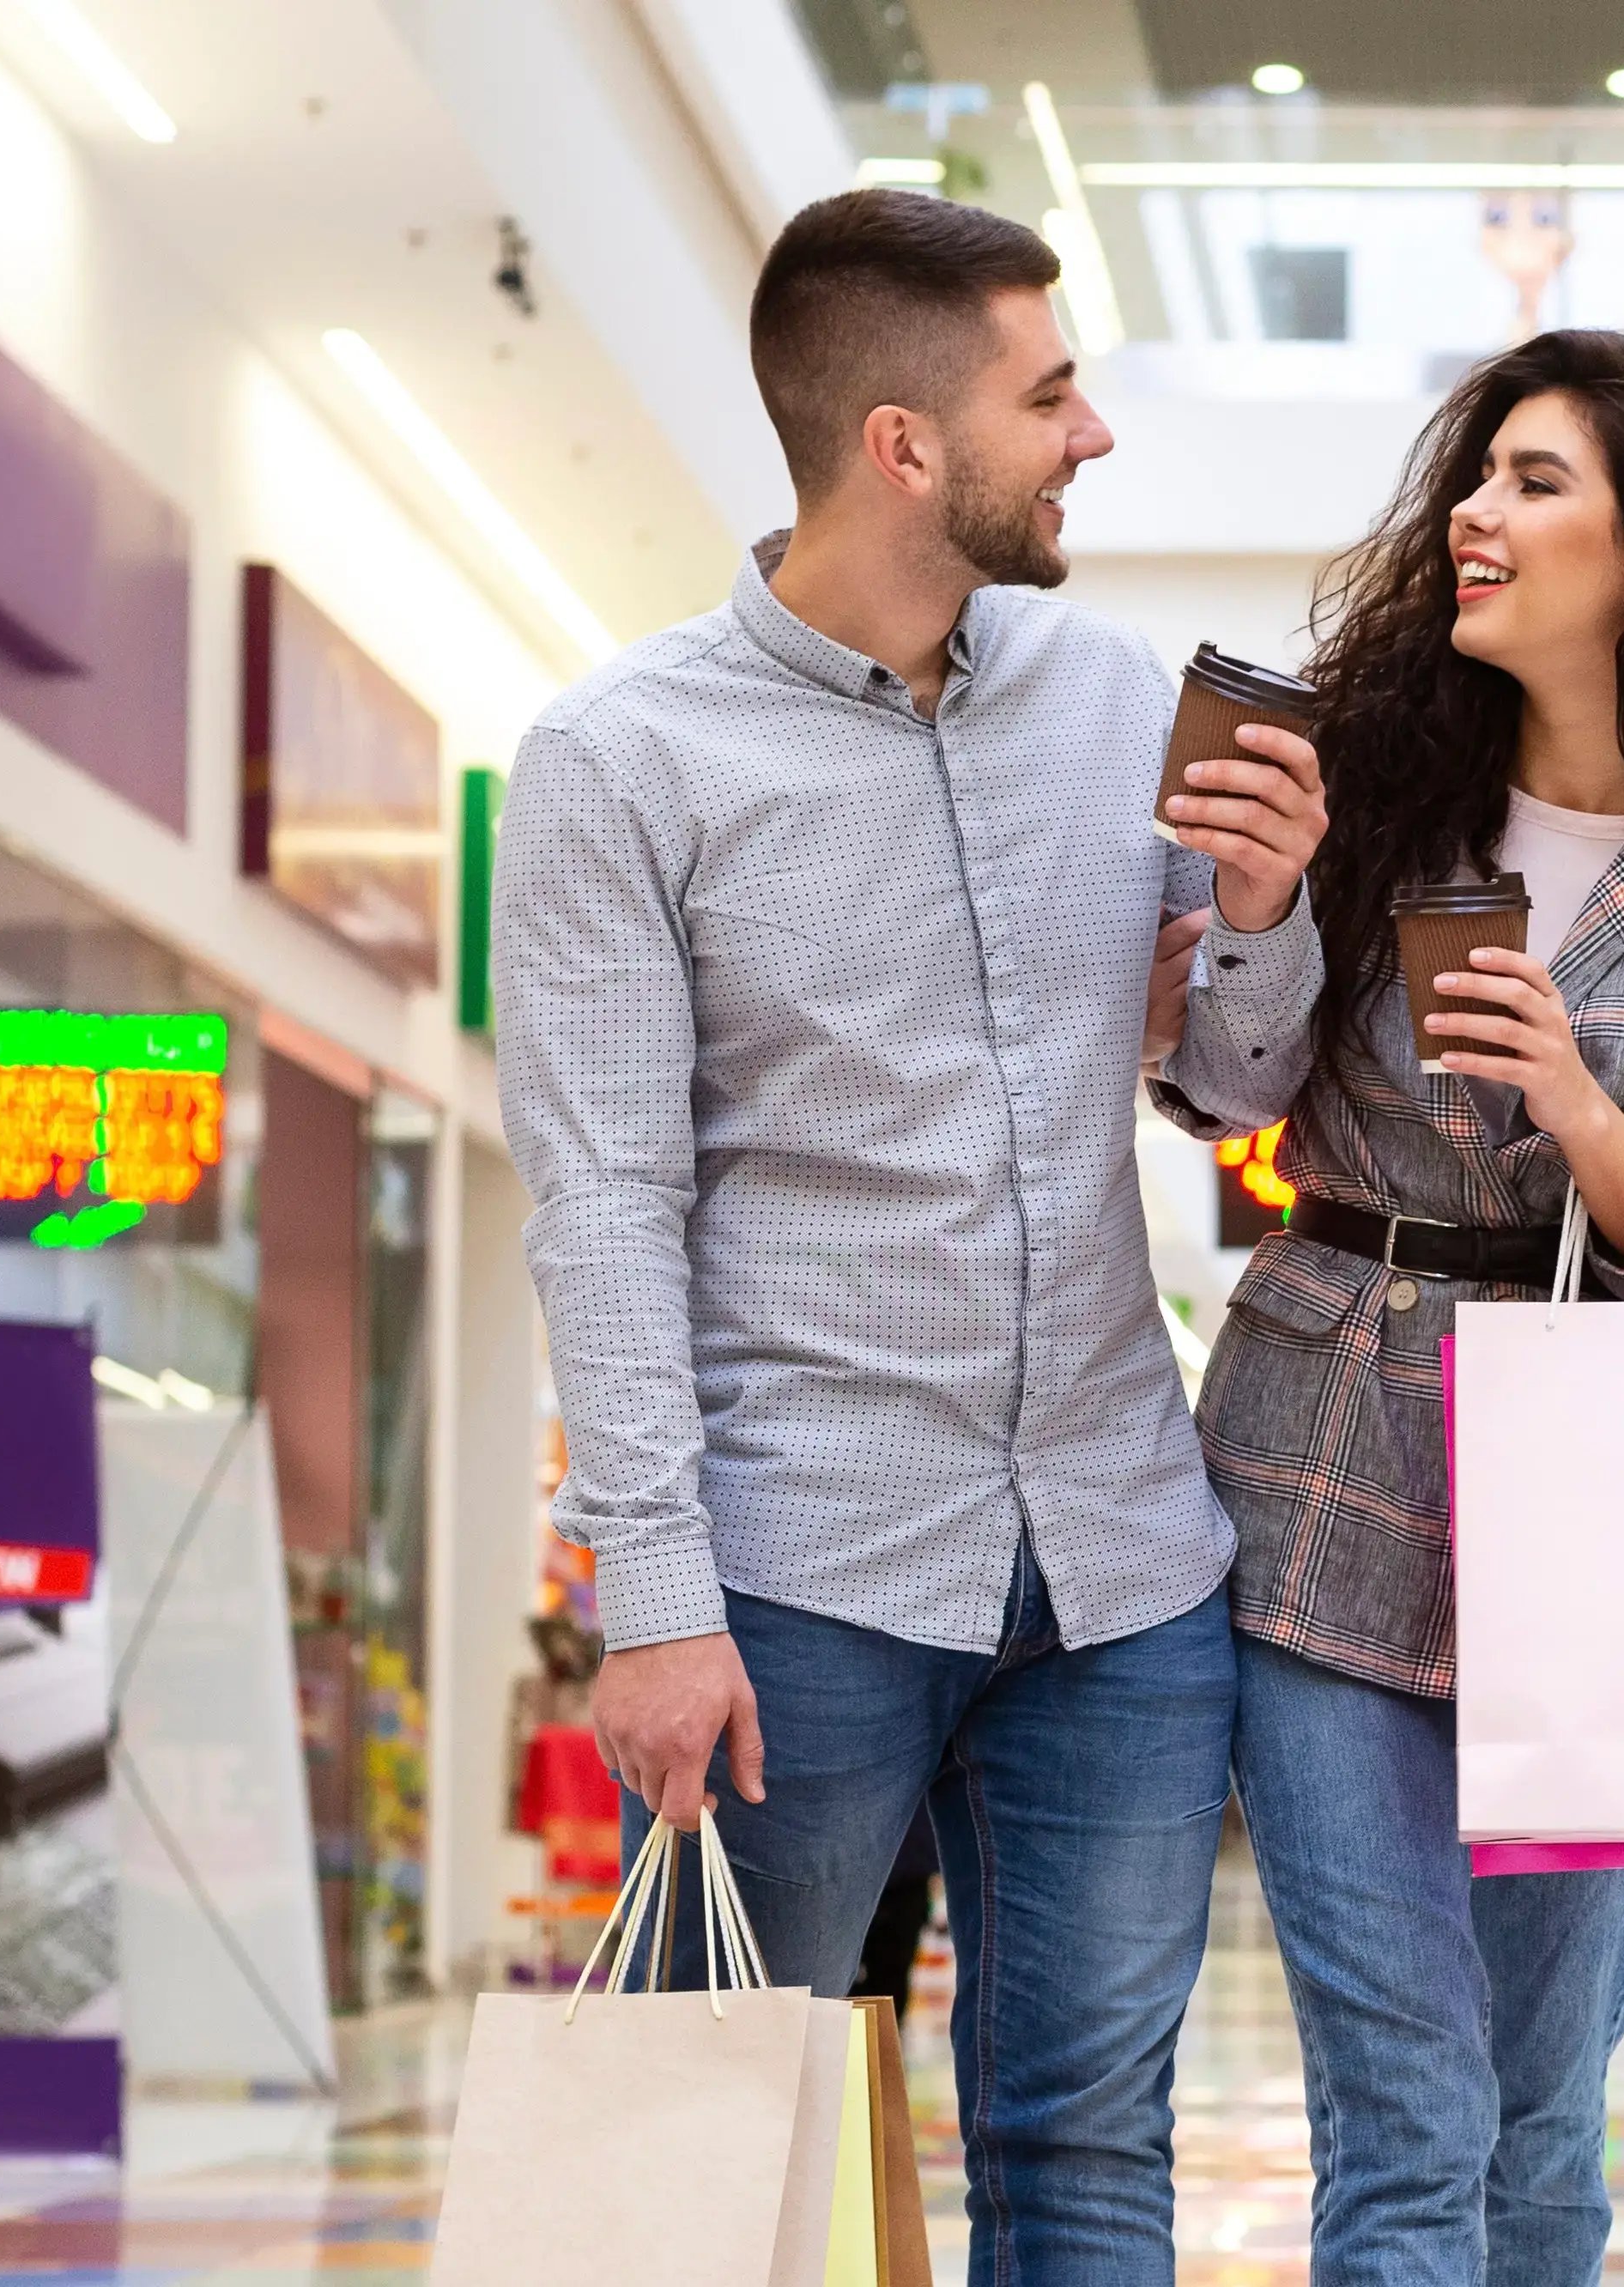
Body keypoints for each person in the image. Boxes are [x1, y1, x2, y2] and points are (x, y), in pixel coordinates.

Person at [493, 189, 1327, 2285]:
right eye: (1049, 396)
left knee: (1090, 2150)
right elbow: (602, 1203)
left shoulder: (1101, 692)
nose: (1092, 436)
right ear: (898, 442)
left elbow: (1224, 1090)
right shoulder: (619, 765)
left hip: (1122, 1575)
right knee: (719, 2149)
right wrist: (653, 1595)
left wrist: (1260, 917)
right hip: (795, 1583)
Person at [1149, 331, 1624, 2287]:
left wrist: (1584, 1115)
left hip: (1606, 1521)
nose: (1474, 518)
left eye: (1535, 483)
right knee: (1405, 2111)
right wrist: (1254, 914)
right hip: (1320, 1474)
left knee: (1537, 2114)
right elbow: (1230, 1095)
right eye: (1478, 477)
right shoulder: (1382, 794)